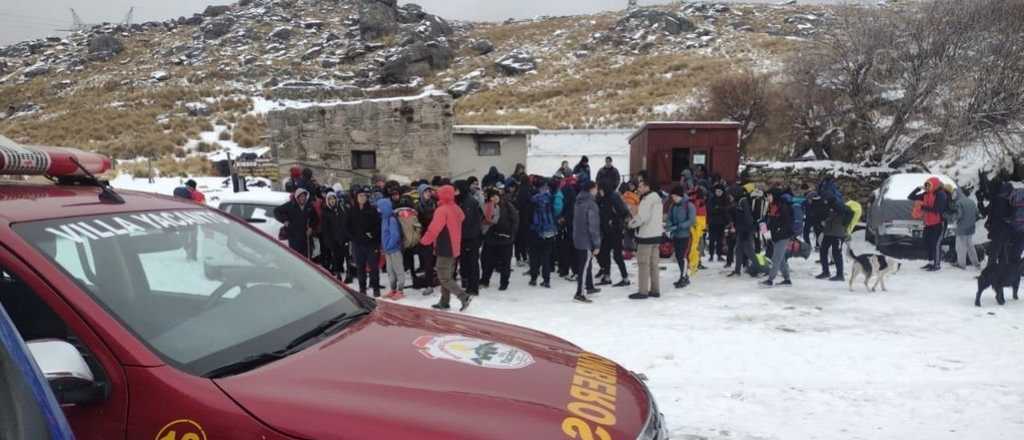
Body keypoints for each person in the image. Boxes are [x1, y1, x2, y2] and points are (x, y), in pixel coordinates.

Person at [420, 185, 472, 311]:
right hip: (454, 246)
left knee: (444, 277)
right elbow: (462, 218)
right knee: (446, 275)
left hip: (445, 247)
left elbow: (434, 229)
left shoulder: (442, 210)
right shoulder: (456, 208)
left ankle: (463, 296)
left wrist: (424, 241)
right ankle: (444, 301)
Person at [628, 179, 665, 299]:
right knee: (654, 264)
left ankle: (643, 291)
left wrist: (630, 224)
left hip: (646, 236)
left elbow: (641, 217)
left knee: (643, 264)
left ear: (647, 187)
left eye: (640, 186)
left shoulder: (646, 199)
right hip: (656, 235)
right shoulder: (658, 198)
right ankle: (655, 290)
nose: (638, 188)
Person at [908, 177, 949, 271]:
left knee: (935, 244)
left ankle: (937, 265)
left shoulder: (940, 194)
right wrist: (918, 189)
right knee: (928, 243)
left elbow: (938, 210)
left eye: (929, 185)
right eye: (926, 185)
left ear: (934, 184)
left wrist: (923, 207)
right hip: (928, 223)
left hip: (939, 223)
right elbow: (910, 197)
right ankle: (930, 263)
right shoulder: (926, 194)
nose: (927, 187)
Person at [481, 188, 518, 291]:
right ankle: (485, 280)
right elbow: (483, 221)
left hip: (506, 239)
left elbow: (515, 220)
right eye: (491, 196)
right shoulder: (487, 207)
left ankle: (504, 282)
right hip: (491, 239)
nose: (494, 198)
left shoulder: (507, 205)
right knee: (488, 262)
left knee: (505, 263)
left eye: (495, 196)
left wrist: (511, 234)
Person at [346, 187, 382, 296]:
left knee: (373, 267)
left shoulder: (372, 209)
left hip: (371, 243)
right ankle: (362, 288)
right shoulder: (352, 210)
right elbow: (347, 227)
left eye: (364, 196)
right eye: (360, 196)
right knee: (360, 267)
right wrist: (353, 238)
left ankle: (375, 288)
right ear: (356, 198)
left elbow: (378, 225)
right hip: (358, 244)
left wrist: (372, 234)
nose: (362, 198)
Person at [572, 181, 602, 303]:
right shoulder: (591, 204)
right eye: (596, 188)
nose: (597, 191)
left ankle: (589, 286)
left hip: (578, 237)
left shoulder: (578, 201)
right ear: (592, 189)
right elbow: (593, 226)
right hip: (586, 240)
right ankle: (579, 293)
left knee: (585, 264)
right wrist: (596, 244)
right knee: (583, 267)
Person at [596, 187, 631, 287]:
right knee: (605, 253)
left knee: (617, 255)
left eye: (601, 190)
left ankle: (625, 278)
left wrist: (614, 222)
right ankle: (607, 277)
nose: (600, 192)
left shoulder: (613, 197)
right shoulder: (602, 198)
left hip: (615, 231)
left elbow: (624, 213)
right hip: (606, 231)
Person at [761, 189, 794, 287]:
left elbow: (787, 224)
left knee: (776, 258)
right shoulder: (771, 206)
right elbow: (767, 222)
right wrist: (766, 235)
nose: (768, 198)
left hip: (782, 237)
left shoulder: (783, 207)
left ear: (775, 196)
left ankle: (770, 280)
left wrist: (778, 234)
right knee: (781, 259)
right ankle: (787, 280)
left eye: (770, 195)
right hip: (774, 236)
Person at [528, 179, 558, 288]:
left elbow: (528, 217)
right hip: (549, 231)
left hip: (535, 232)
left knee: (534, 256)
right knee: (546, 256)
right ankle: (546, 280)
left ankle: (533, 278)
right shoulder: (550, 199)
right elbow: (554, 214)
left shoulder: (532, 200)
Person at [456, 180, 483, 296]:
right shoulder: (462, 200)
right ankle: (467, 284)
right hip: (465, 237)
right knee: (465, 263)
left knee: (472, 263)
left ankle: (473, 287)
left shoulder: (469, 202)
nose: (455, 192)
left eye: (456, 190)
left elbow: (469, 221)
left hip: (470, 238)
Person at [666, 185, 696, 288]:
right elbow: (669, 218)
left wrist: (680, 226)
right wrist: (669, 225)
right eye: (672, 197)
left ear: (680, 196)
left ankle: (684, 277)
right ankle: (683, 275)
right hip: (676, 235)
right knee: (679, 257)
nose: (673, 198)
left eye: (674, 196)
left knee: (683, 257)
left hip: (685, 235)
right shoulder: (673, 206)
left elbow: (692, 220)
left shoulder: (689, 205)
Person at [274, 188, 318, 259]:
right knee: (295, 257)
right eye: (301, 196)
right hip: (293, 236)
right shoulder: (290, 205)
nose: (303, 198)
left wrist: (311, 228)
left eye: (304, 196)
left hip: (305, 237)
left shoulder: (309, 206)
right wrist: (285, 220)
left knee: (306, 258)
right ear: (297, 197)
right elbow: (276, 211)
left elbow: (315, 219)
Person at [376, 198, 406, 300]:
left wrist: (387, 246)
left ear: (384, 207)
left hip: (394, 250)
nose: (378, 209)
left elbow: (395, 235)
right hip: (388, 251)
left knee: (398, 270)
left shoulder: (391, 219)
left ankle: (400, 290)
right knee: (390, 271)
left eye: (379, 207)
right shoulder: (384, 218)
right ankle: (393, 290)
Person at [816, 196, 851, 281]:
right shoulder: (831, 207)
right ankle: (826, 272)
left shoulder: (840, 207)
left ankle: (840, 275)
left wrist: (844, 226)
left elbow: (847, 215)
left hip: (837, 234)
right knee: (823, 250)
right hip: (829, 232)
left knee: (836, 253)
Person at [321, 191, 351, 279]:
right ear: (327, 201)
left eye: (333, 198)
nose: (332, 201)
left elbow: (347, 222)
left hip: (344, 237)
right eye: (330, 199)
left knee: (346, 256)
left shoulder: (342, 209)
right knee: (336, 256)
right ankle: (337, 273)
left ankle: (349, 273)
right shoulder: (325, 212)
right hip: (333, 239)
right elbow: (325, 229)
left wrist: (348, 235)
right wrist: (328, 241)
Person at [729, 185, 756, 277]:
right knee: (738, 250)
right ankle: (737, 271)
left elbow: (748, 217)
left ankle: (760, 268)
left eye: (731, 195)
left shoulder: (743, 201)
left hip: (746, 231)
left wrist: (747, 230)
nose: (730, 197)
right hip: (741, 230)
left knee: (749, 252)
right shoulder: (739, 201)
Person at [415, 184, 438, 293]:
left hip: (435, 235)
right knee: (427, 261)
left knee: (434, 260)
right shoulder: (418, 206)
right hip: (424, 236)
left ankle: (434, 279)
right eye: (425, 191)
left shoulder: (435, 203)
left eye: (429, 191)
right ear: (421, 193)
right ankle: (429, 284)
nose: (428, 193)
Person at [954, 189, 981, 269]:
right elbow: (977, 214)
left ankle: (961, 264)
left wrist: (953, 218)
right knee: (970, 246)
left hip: (962, 228)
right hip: (970, 227)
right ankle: (976, 263)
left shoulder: (959, 203)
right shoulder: (971, 202)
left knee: (960, 247)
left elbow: (959, 215)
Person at [707, 184, 731, 262]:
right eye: (717, 191)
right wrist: (720, 209)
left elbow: (727, 210)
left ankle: (719, 255)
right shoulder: (711, 199)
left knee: (720, 240)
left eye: (720, 191)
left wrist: (718, 208)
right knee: (712, 239)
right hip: (712, 222)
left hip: (721, 222)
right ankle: (711, 255)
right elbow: (710, 210)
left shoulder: (725, 199)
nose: (719, 193)